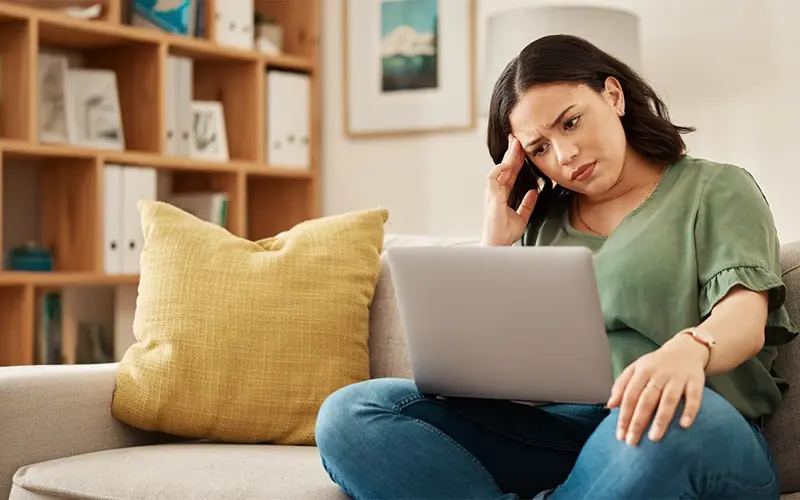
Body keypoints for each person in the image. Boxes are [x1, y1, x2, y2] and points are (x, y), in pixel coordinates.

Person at [314, 34, 799, 499]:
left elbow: (745, 319)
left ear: (613, 95)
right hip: (563, 438)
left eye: (571, 122)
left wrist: (689, 350)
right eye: (540, 148)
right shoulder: (539, 225)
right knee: (351, 413)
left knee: (666, 418)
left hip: (693, 430)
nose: (565, 156)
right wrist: (494, 247)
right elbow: (489, 368)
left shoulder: (717, 189)